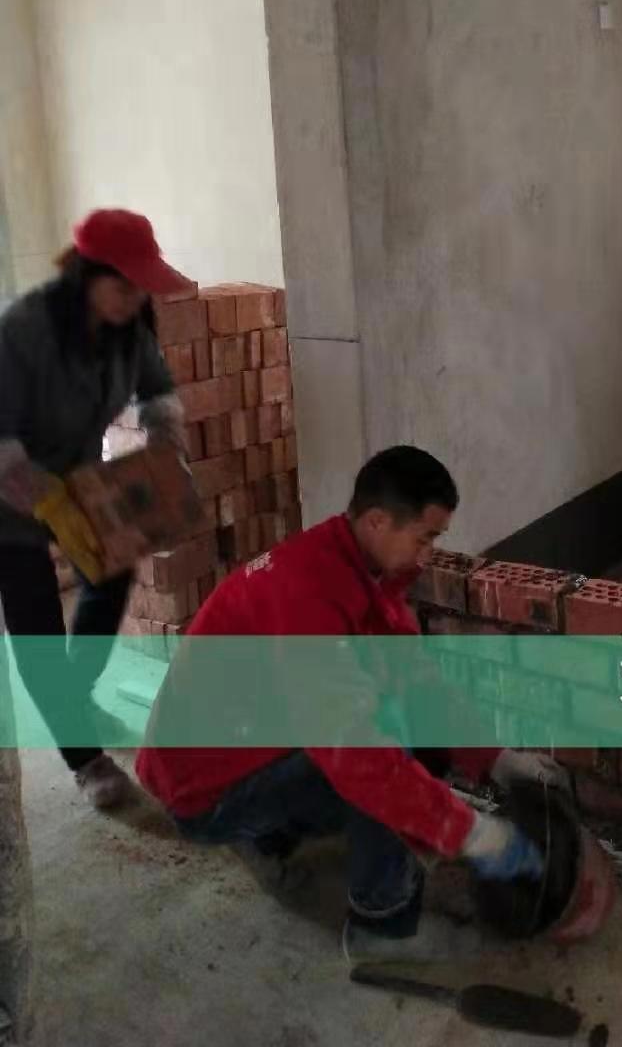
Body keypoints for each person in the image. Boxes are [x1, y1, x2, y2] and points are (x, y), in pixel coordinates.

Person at [136, 445, 567, 966]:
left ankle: (272, 835)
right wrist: (471, 832)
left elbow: (417, 681)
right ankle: (381, 929)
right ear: (378, 521)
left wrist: (494, 759)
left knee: (397, 730)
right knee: (378, 754)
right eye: (424, 538)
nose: (428, 555)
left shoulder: (355, 570)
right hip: (203, 788)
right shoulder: (308, 597)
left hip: (236, 743)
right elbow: (361, 757)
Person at [0, 208, 190, 807]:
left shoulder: (129, 329)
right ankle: (84, 758)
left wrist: (166, 454)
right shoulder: (24, 330)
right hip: (7, 492)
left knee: (111, 572)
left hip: (74, 476)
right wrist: (28, 482)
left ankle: (72, 700)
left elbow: (157, 393)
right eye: (124, 285)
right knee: (36, 625)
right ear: (86, 276)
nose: (136, 298)